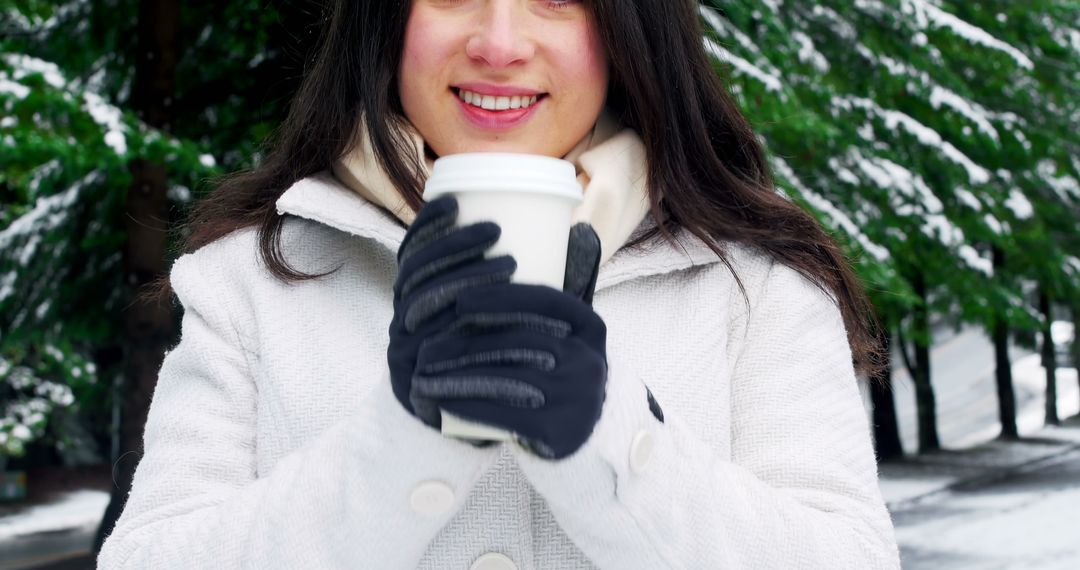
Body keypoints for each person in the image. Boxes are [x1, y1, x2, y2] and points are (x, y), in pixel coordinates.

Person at [99, 0, 901, 568]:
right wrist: (403, 438)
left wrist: (611, 439)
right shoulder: (252, 279)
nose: (500, 42)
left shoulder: (754, 283)